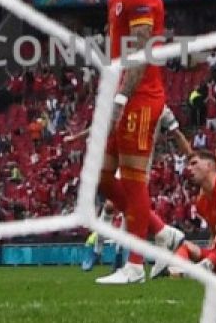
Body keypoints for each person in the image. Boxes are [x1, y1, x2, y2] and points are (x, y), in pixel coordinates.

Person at [88, 0, 185, 284]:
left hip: (140, 97)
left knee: (133, 180)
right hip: (120, 94)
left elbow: (140, 54)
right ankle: (163, 234)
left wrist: (119, 99)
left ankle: (134, 265)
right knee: (99, 175)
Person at [79, 105, 190, 275]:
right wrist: (79, 136)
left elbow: (177, 134)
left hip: (140, 165)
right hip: (121, 159)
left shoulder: (161, 108)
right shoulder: (126, 101)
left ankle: (120, 254)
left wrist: (193, 156)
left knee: (128, 210)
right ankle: (100, 246)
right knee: (113, 204)